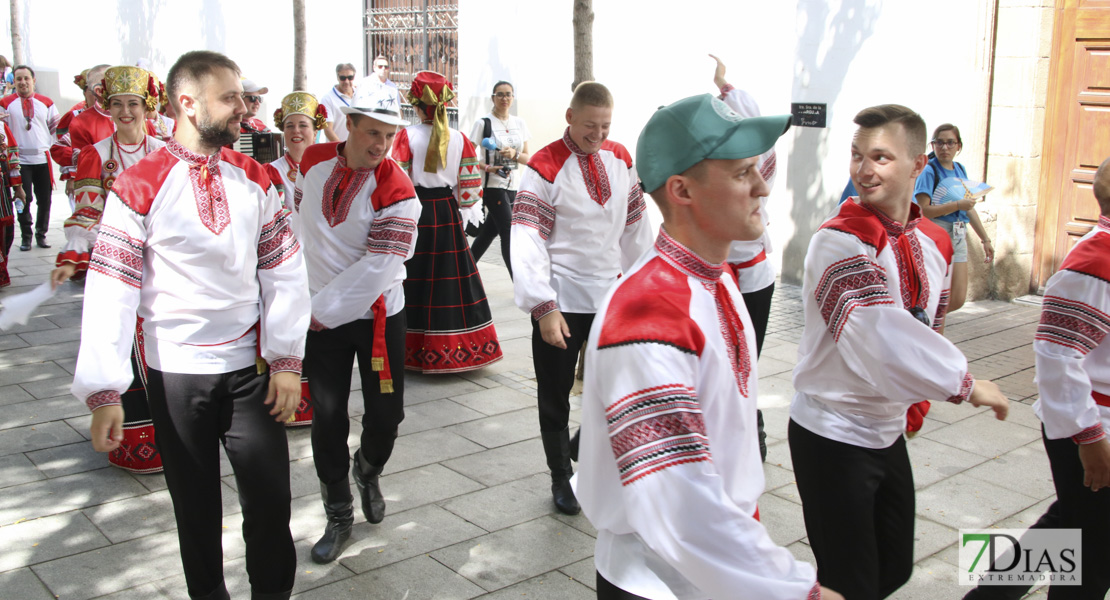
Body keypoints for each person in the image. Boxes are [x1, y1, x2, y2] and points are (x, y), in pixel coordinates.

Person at [575, 92, 841, 600]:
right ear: (682, 190)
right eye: (742, 173)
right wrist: (794, 588)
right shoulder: (648, 314)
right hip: (658, 581)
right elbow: (677, 501)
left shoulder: (716, 284)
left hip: (714, 569)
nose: (762, 186)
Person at [70, 50, 309, 600]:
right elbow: (111, 290)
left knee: (271, 505)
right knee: (196, 513)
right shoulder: (139, 185)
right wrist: (106, 389)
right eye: (230, 99)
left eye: (244, 99)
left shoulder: (256, 177)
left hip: (250, 372)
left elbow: (285, 272)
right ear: (186, 102)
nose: (244, 111)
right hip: (175, 374)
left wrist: (288, 359)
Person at [788, 104, 1010, 600]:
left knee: (894, 567)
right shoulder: (838, 242)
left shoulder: (932, 239)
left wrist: (918, 394)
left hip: (885, 430)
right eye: (857, 155)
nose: (865, 170)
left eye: (881, 157)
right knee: (851, 583)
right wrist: (964, 384)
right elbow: (878, 335)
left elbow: (932, 323)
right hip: (832, 431)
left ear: (916, 165)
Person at [965, 157, 1110, 600]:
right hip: (1091, 428)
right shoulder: (1095, 261)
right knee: (1089, 558)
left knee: (1071, 527)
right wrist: (1089, 440)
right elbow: (1057, 356)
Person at [511, 81, 652, 515]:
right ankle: (560, 476)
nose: (598, 135)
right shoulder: (544, 166)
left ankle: (582, 442)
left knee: (619, 384)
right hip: (562, 298)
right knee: (554, 392)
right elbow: (528, 237)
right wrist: (543, 305)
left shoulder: (621, 158)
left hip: (610, 296)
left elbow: (635, 228)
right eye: (590, 125)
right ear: (570, 117)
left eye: (606, 126)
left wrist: (645, 286)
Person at [293, 88, 420, 565]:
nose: (380, 145)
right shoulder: (313, 161)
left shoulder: (398, 190)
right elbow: (299, 220)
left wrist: (317, 311)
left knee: (387, 415)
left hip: (373, 317)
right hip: (317, 315)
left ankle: (367, 469)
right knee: (326, 416)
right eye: (372, 133)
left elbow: (379, 267)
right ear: (349, 125)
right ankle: (339, 513)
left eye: (389, 136)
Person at [52, 66, 167, 473]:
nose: (125, 111)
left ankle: (176, 433)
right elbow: (85, 215)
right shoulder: (95, 155)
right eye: (117, 104)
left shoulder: (165, 151)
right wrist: (71, 254)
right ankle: (134, 441)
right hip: (115, 262)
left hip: (163, 265)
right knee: (121, 342)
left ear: (147, 107)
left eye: (132, 103)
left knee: (164, 344)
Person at [392, 70, 503, 373]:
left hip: (414, 212)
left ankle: (410, 350)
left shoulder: (405, 136)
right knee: (448, 279)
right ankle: (460, 349)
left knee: (414, 276)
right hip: (446, 212)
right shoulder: (460, 139)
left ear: (416, 104)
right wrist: (463, 208)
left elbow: (397, 179)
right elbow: (469, 186)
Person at [711, 53, 777, 461]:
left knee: (746, 357)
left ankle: (750, 424)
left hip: (752, 273)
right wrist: (722, 85)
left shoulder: (757, 160)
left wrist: (724, 85)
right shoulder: (718, 162)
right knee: (718, 356)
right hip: (716, 269)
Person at [914, 123, 993, 314]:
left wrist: (985, 239)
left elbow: (969, 207)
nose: (945, 148)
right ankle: (928, 330)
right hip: (936, 234)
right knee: (933, 295)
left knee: (957, 298)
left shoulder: (959, 169)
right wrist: (957, 206)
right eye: (939, 143)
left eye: (950, 143)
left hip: (958, 234)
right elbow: (923, 210)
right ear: (932, 146)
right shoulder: (929, 171)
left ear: (959, 146)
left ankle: (928, 325)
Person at [468, 80, 530, 278]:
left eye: (509, 94)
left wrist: (514, 154)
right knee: (508, 230)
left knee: (489, 232)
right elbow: (467, 156)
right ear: (493, 98)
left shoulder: (520, 123)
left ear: (513, 98)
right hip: (493, 186)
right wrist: (487, 167)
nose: (505, 98)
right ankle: (519, 282)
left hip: (514, 185)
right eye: (500, 94)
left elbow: (528, 158)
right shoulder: (483, 124)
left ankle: (464, 271)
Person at [1, 65, 59, 251]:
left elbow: (56, 130)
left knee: (45, 199)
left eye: (26, 78)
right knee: (22, 199)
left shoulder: (47, 102)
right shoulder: (5, 103)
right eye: (18, 79)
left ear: (33, 80)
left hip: (42, 158)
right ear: (14, 81)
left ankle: (41, 234)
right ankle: (26, 235)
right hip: (20, 161)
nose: (23, 82)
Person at [50, 69, 95, 212]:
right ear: (84, 91)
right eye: (91, 88)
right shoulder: (75, 116)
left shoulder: (114, 117)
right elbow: (61, 148)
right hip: (82, 177)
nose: (97, 93)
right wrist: (71, 176)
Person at [268, 91, 327, 197]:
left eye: (303, 125)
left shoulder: (328, 168)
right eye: (290, 126)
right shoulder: (273, 171)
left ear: (315, 133)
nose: (296, 131)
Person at [0, 120, 24, 287]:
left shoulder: (1, 126)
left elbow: (12, 158)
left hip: (1, 190)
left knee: (5, 233)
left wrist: (18, 188)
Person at [320, 63, 357, 142]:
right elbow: (327, 130)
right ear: (337, 77)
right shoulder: (327, 99)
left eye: (350, 77)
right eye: (343, 78)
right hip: (337, 150)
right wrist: (343, 149)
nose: (346, 81)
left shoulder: (360, 95)